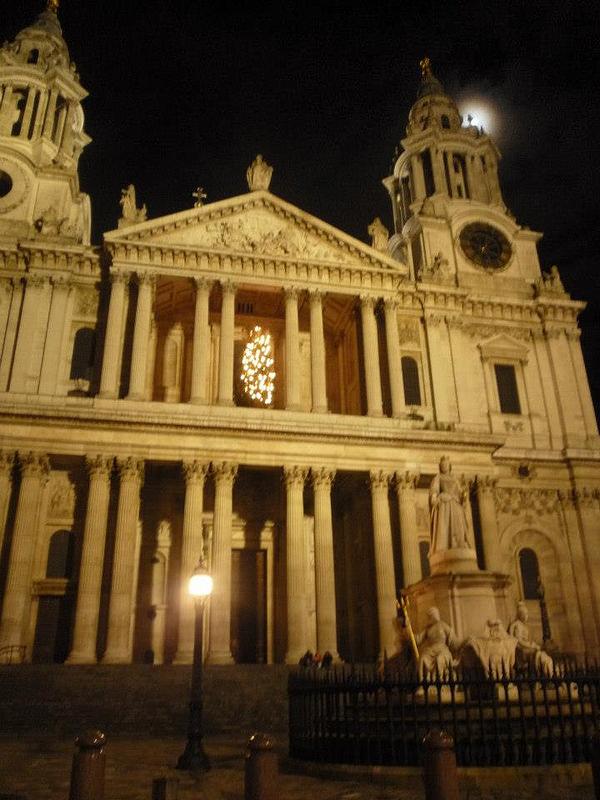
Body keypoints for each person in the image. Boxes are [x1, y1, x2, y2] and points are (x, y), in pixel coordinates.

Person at [428, 456, 471, 554]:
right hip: (444, 504)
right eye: (442, 465)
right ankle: (445, 546)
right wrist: (434, 498)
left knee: (458, 526)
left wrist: (464, 495)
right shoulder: (438, 478)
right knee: (444, 527)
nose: (444, 466)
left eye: (446, 464)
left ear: (449, 466)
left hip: (455, 504)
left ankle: (458, 543)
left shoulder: (455, 479)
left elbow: (460, 492)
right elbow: (434, 490)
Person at [509, 602, 553, 676]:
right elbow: (518, 641)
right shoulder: (517, 625)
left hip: (527, 648)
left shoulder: (523, 625)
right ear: (520, 615)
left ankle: (546, 671)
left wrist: (533, 644)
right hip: (521, 650)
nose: (526, 616)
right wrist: (531, 645)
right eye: (524, 614)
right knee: (538, 654)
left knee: (542, 655)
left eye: (527, 614)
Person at [415, 606, 460, 680]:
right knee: (423, 658)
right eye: (431, 615)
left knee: (439, 660)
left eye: (434, 614)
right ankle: (424, 682)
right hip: (430, 651)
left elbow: (453, 640)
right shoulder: (428, 629)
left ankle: (438, 681)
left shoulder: (443, 625)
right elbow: (418, 639)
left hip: (442, 650)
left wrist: (459, 646)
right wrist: (408, 629)